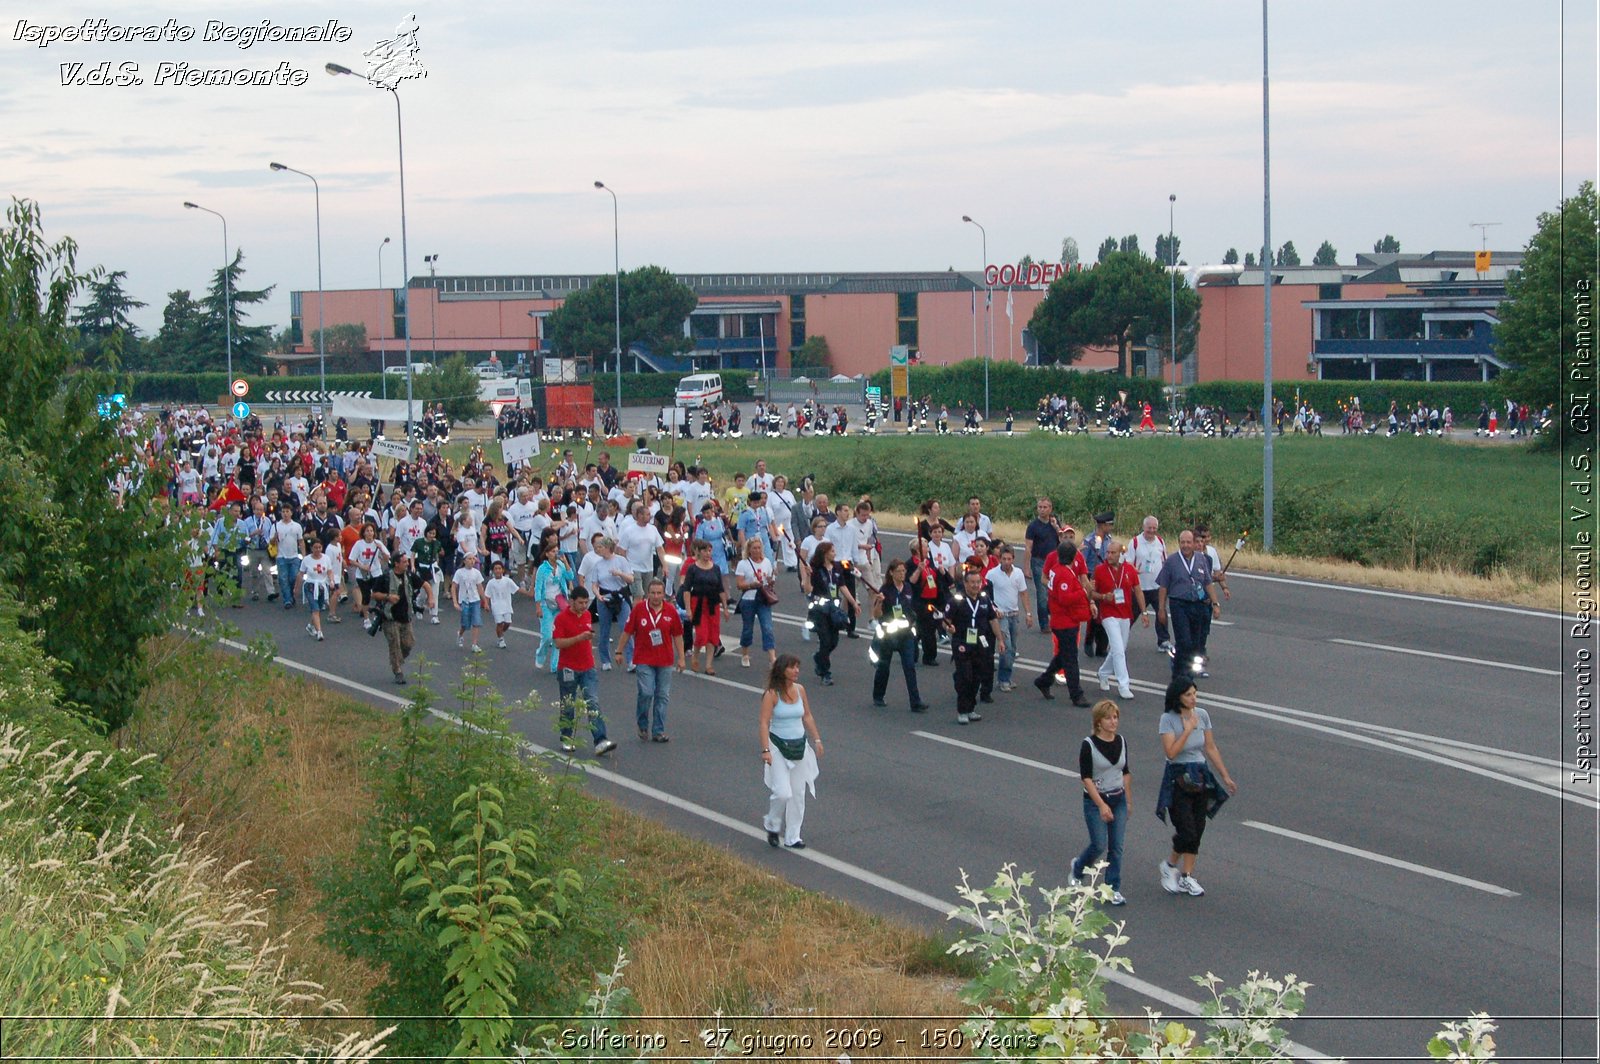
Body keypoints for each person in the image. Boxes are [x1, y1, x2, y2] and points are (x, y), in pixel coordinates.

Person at [1156, 679, 1237, 897]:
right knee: (1187, 829)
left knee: (1198, 827)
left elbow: (1210, 747)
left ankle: (1187, 876)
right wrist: (1187, 729)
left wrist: (1225, 776)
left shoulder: (1202, 714)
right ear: (1178, 697)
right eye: (1188, 695)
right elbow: (1171, 753)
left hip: (1200, 774)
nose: (1193, 698)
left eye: (1195, 694)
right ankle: (1170, 865)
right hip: (1178, 776)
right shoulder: (1168, 719)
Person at [759, 654, 823, 850]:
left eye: (798, 667)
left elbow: (807, 715)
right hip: (778, 747)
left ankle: (793, 836)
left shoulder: (800, 690)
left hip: (799, 747)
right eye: (792, 667)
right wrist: (766, 750)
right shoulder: (772, 694)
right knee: (782, 793)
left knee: (797, 793)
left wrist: (817, 739)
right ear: (782, 670)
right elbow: (764, 722)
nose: (796, 671)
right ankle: (772, 823)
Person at [1070, 700, 1130, 906]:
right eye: (1108, 718)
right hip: (1096, 801)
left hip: (1118, 798)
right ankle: (1078, 869)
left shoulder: (1121, 741)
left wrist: (1127, 800)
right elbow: (1086, 778)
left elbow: (1126, 772)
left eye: (1115, 717)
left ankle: (1112, 888)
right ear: (1098, 722)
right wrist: (1102, 805)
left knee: (1117, 847)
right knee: (1098, 845)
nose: (1113, 722)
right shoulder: (1088, 744)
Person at [551, 587, 618, 756]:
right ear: (572, 601)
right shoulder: (561, 619)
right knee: (568, 704)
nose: (583, 606)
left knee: (592, 702)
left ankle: (600, 740)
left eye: (586, 602)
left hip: (588, 667)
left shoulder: (588, 615)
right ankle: (566, 736)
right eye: (580, 602)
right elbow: (558, 643)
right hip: (568, 668)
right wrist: (579, 638)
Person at [617, 577, 685, 742]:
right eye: (653, 593)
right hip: (644, 659)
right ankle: (642, 724)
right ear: (648, 594)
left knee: (662, 695)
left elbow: (677, 635)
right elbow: (627, 631)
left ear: (664, 594)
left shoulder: (670, 611)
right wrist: (619, 651)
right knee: (646, 693)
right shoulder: (639, 609)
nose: (656, 596)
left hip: (665, 660)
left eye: (659, 593)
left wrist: (681, 658)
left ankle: (658, 731)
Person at [1155, 530, 1221, 681]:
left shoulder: (1201, 559)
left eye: (1188, 542)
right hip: (1179, 604)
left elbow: (1208, 582)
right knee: (1184, 640)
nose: (1185, 545)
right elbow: (1163, 586)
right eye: (1182, 542)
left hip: (1197, 605)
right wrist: (1161, 609)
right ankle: (1179, 674)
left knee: (1195, 642)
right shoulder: (1171, 561)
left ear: (1193, 543)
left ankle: (1189, 672)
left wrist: (1216, 603)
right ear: (1179, 543)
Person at [1034, 542, 1091, 706]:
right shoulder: (1064, 574)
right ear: (1073, 557)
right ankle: (1076, 695)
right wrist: (1082, 591)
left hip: (1062, 619)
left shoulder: (1057, 570)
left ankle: (1044, 680)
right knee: (1071, 659)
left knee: (1063, 655)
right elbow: (1065, 599)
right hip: (1064, 621)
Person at [1091, 539, 1148, 699]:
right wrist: (1103, 596)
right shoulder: (1100, 570)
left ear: (1121, 554)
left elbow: (1138, 591)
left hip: (1125, 614)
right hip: (1108, 614)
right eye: (1108, 552)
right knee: (1117, 649)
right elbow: (1091, 593)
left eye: (1113, 553)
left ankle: (1102, 673)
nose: (1109, 555)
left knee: (1120, 649)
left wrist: (1144, 613)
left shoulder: (1129, 570)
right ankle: (1124, 685)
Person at [947, 568, 1003, 725]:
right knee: (965, 676)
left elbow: (993, 620)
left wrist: (1000, 640)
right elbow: (947, 621)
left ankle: (971, 708)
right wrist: (948, 628)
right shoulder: (956, 601)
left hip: (980, 642)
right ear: (965, 583)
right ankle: (962, 710)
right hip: (962, 643)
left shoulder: (985, 600)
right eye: (972, 582)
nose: (976, 585)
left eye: (978, 582)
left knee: (978, 676)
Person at [870, 558, 928, 712]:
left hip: (905, 634)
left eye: (904, 571)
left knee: (910, 667)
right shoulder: (885, 590)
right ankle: (878, 695)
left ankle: (915, 702)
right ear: (891, 573)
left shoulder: (908, 588)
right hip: (888, 635)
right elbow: (876, 615)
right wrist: (879, 602)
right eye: (899, 571)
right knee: (884, 666)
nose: (902, 574)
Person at [806, 540, 856, 686]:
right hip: (819, 611)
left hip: (833, 610)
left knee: (833, 642)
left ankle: (819, 657)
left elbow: (842, 586)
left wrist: (853, 603)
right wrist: (808, 576)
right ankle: (825, 673)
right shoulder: (815, 570)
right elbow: (808, 589)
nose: (835, 553)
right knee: (825, 640)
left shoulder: (837, 568)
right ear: (825, 553)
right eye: (832, 551)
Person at [985, 545, 1031, 692]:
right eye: (1003, 559)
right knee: (1006, 647)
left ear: (1013, 559)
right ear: (1000, 559)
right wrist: (994, 609)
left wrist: (1028, 614)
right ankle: (1003, 679)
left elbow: (1023, 594)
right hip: (1001, 616)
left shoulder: (1018, 574)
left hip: (1014, 615)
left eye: (1009, 559)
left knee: (1013, 649)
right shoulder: (992, 574)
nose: (1006, 562)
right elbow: (985, 595)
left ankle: (1007, 677)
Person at [375, 552, 422, 684]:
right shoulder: (385, 577)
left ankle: (397, 659)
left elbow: (424, 584)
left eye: (407, 562)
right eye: (404, 562)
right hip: (390, 617)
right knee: (394, 644)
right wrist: (387, 597)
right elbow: (375, 594)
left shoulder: (409, 575)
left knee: (408, 644)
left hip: (406, 617)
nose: (407, 564)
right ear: (396, 563)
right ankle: (398, 671)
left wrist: (430, 597)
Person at [682, 539, 727, 675]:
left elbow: (720, 589)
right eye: (705, 551)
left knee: (713, 635)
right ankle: (695, 655)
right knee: (702, 634)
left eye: (709, 551)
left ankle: (708, 665)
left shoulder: (715, 568)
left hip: (713, 604)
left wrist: (725, 607)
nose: (708, 554)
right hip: (698, 603)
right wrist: (688, 609)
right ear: (699, 552)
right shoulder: (693, 568)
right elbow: (686, 589)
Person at [734, 537, 778, 669]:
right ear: (749, 550)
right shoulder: (743, 564)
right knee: (748, 628)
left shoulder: (767, 562)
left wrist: (771, 581)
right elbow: (739, 584)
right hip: (749, 599)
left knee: (768, 627)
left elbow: (769, 580)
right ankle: (745, 653)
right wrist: (750, 585)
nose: (757, 551)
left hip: (763, 599)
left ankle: (772, 657)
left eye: (759, 548)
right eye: (754, 548)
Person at [1129, 515, 1169, 650]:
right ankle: (1120, 638)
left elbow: (1165, 561)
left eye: (1154, 528)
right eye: (1149, 528)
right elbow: (1128, 563)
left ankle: (1163, 640)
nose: (1152, 531)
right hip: (1139, 587)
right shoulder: (1135, 542)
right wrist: (1133, 570)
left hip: (1157, 586)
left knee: (1161, 613)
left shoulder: (1160, 542)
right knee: (1131, 615)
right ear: (1143, 528)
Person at [1024, 497, 1062, 629]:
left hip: (1055, 562)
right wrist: (1026, 567)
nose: (1042, 510)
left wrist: (1057, 527)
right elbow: (1028, 547)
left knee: (1055, 592)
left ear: (1050, 509)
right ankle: (1044, 623)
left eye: (1045, 507)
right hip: (1038, 561)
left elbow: (1063, 541)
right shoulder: (1033, 526)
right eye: (1040, 507)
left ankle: (1055, 616)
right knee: (1041, 593)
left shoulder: (1055, 524)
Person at [295, 538, 336, 641]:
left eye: (319, 547)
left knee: (319, 608)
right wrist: (296, 588)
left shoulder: (326, 558)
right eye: (315, 548)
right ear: (311, 548)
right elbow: (301, 574)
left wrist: (331, 581)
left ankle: (310, 625)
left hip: (322, 586)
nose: (318, 550)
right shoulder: (306, 560)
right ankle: (319, 632)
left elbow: (330, 571)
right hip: (310, 586)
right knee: (315, 608)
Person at [452, 551, 486, 653]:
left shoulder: (476, 573)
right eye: (469, 559)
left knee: (476, 622)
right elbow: (454, 587)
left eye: (473, 559)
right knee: (465, 623)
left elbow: (480, 587)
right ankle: (460, 633)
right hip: (464, 600)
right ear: (464, 561)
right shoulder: (459, 572)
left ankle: (474, 644)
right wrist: (455, 602)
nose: (472, 561)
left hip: (475, 600)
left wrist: (485, 601)